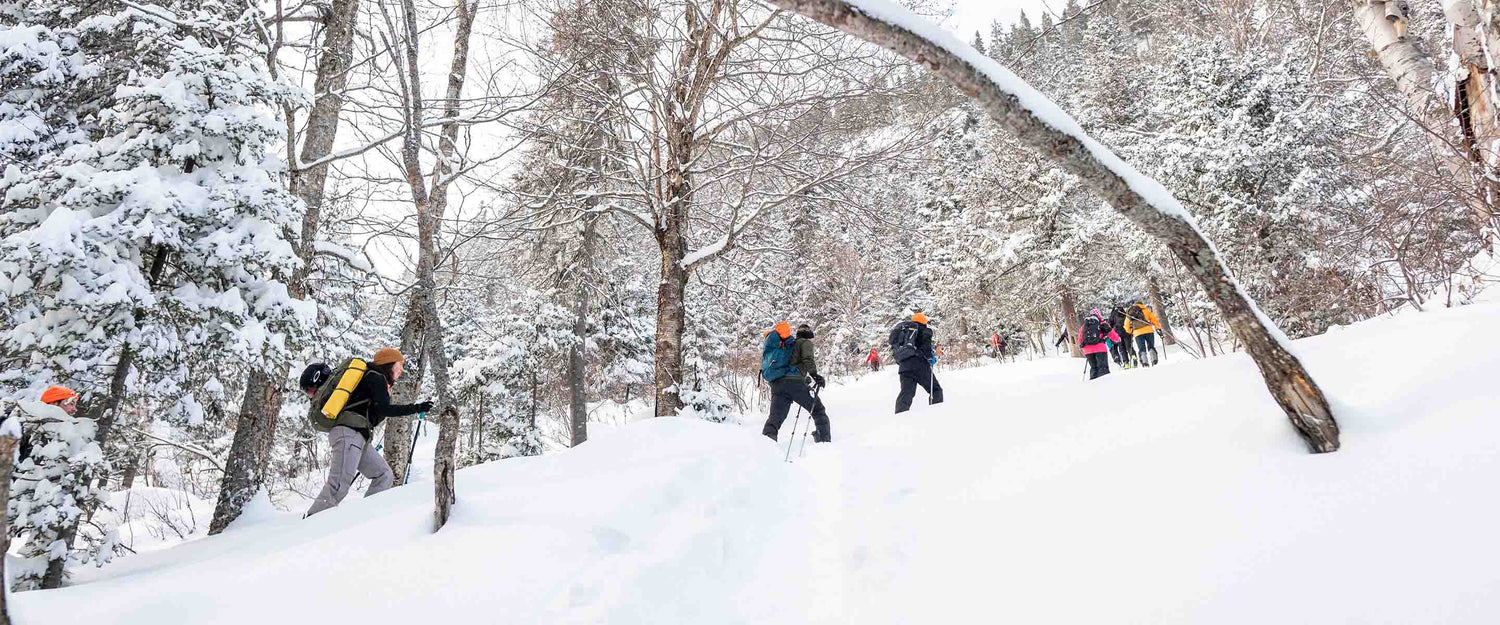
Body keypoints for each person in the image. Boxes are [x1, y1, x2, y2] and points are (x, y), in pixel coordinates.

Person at [305, 348, 432, 518]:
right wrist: (416, 408)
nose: (401, 369)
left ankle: (366, 518)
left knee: (383, 474)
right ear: (389, 364)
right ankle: (310, 524)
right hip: (348, 434)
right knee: (338, 486)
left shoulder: (373, 379)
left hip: (358, 438)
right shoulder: (375, 376)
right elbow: (385, 409)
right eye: (399, 364)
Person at [760, 322, 831, 443]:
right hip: (794, 384)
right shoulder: (805, 342)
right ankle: (823, 439)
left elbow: (792, 365)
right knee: (818, 409)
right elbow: (807, 359)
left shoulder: (790, 344)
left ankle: (767, 442)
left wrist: (805, 379)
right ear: (809, 335)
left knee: (775, 417)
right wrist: (814, 375)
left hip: (778, 384)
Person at [889, 312, 943, 413]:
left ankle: (900, 416)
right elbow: (926, 350)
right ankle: (937, 413)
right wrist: (930, 357)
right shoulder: (924, 330)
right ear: (924, 322)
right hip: (920, 366)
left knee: (906, 394)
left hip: (904, 367)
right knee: (935, 390)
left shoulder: (905, 331)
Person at [1123, 300, 1162, 367]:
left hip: (1137, 333)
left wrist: (1130, 331)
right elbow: (1154, 320)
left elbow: (1126, 325)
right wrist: (1158, 328)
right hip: (1148, 331)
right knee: (1151, 346)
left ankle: (1145, 362)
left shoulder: (1130, 313)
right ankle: (1154, 360)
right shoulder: (1146, 310)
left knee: (1141, 348)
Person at [1080, 309, 1111, 380]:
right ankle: (1106, 384)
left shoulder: (1084, 325)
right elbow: (1110, 332)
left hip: (1087, 350)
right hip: (1100, 348)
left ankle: (1093, 385)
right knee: (1103, 367)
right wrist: (1118, 339)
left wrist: (1083, 347)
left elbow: (1080, 338)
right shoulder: (1101, 323)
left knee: (1093, 367)